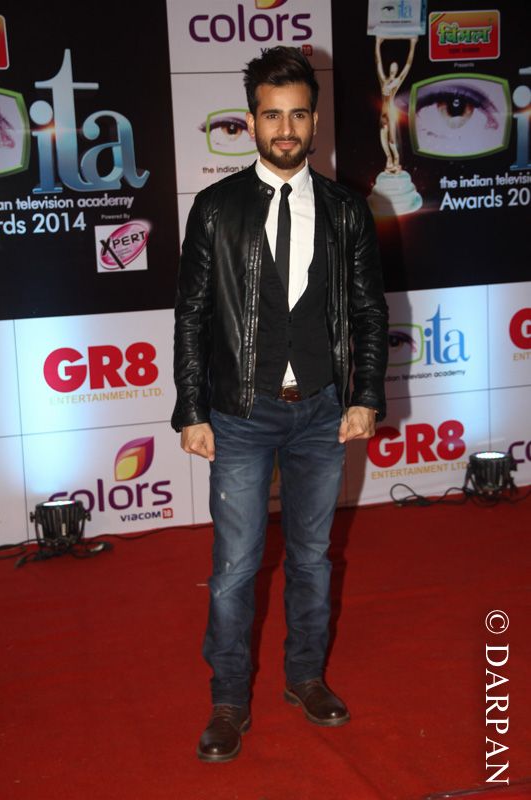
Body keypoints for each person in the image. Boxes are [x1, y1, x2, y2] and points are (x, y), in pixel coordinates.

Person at [172, 46, 388, 763]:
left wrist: (365, 396)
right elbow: (191, 315)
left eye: (298, 115)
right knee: (235, 567)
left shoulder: (346, 210)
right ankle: (228, 699)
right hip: (239, 413)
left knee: (313, 559)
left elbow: (368, 310)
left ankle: (305, 677)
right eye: (272, 115)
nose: (286, 129)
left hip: (322, 412)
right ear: (251, 121)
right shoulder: (215, 208)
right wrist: (191, 409)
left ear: (315, 120)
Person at [375, 36, 417, 173]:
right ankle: (389, 158)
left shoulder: (396, 81)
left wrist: (413, 45)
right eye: (391, 67)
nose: (393, 70)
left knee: (392, 141)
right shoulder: (384, 80)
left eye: (395, 68)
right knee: (383, 138)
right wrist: (377, 43)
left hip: (391, 114)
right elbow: (378, 62)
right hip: (383, 113)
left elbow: (408, 66)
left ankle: (396, 159)